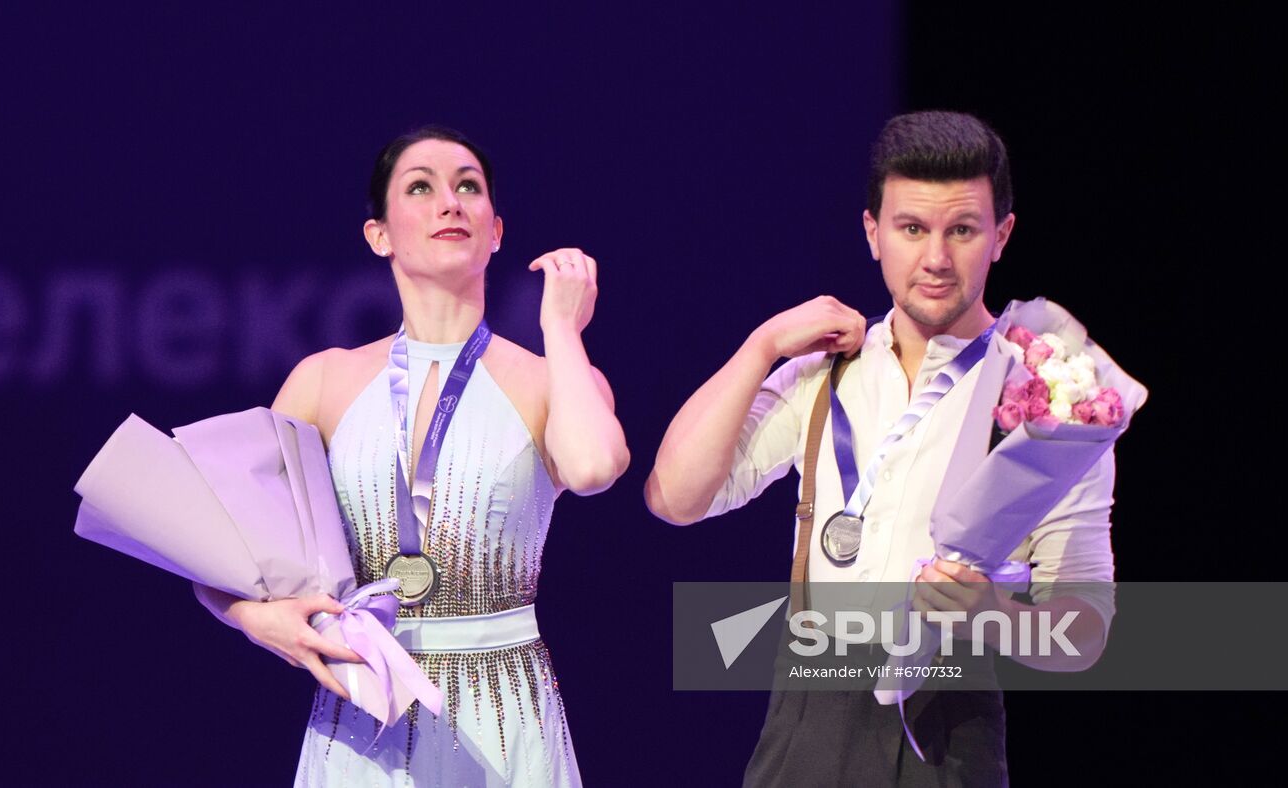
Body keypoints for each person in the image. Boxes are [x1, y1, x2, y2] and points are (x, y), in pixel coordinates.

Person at [644, 111, 1116, 787]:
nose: (935, 259)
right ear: (873, 233)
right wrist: (762, 346)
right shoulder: (823, 369)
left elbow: (1086, 633)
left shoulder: (1052, 397)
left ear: (1001, 236)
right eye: (912, 228)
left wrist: (995, 618)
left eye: (962, 230)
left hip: (950, 721)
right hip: (808, 710)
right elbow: (676, 497)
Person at [194, 125, 629, 786]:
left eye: (468, 188)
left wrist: (561, 330)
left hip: (507, 714)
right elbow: (218, 544)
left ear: (497, 231)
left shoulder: (551, 380)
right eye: (421, 187)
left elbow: (595, 467)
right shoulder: (323, 380)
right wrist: (257, 620)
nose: (450, 203)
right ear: (380, 235)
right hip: (363, 712)